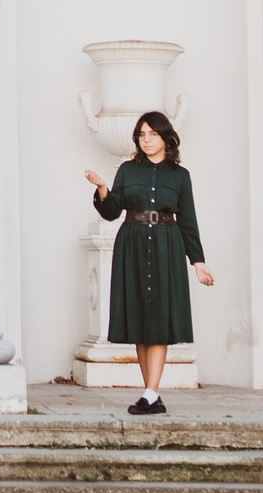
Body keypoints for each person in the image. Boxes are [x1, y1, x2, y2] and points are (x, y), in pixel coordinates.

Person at [82, 110, 213, 415]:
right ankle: (151, 393)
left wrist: (198, 261)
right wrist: (102, 188)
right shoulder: (128, 170)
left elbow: (189, 220)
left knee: (159, 322)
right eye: (142, 134)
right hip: (133, 245)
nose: (146, 140)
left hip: (168, 246)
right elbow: (113, 211)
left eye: (152, 134)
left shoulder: (180, 177)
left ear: (166, 137)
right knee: (141, 321)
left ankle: (151, 393)